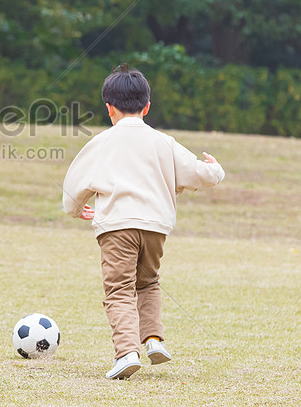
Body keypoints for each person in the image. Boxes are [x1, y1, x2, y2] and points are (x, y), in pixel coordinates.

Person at [61, 63, 225, 379]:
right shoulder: (163, 142)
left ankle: (126, 354)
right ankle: (152, 340)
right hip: (155, 229)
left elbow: (74, 185)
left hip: (116, 227)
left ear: (109, 109)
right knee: (148, 283)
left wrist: (75, 208)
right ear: (147, 107)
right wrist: (215, 170)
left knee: (119, 289)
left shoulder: (101, 142)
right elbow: (197, 173)